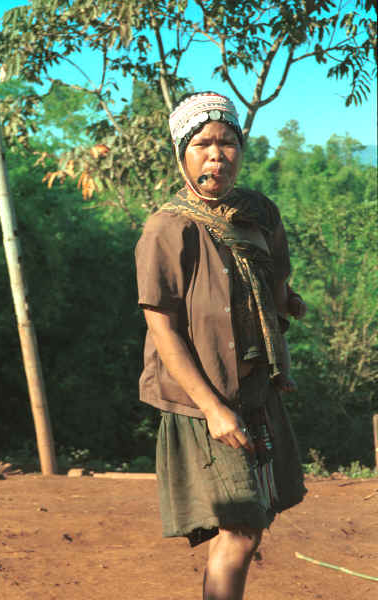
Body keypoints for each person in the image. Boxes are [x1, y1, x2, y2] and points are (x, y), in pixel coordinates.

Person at [135, 91, 307, 600]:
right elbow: (161, 326)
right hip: (203, 401)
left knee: (247, 527)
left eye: (228, 142)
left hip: (255, 392)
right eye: (204, 143)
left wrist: (285, 302)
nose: (217, 154)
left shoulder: (257, 214)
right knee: (241, 527)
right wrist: (213, 409)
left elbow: (275, 276)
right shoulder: (169, 228)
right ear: (182, 152)